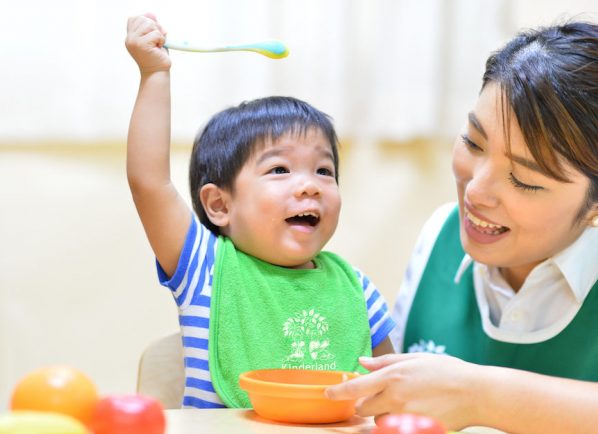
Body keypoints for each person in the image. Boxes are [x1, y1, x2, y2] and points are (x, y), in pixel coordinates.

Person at [326, 21, 598, 433]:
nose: (477, 190)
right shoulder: (442, 234)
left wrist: (478, 394)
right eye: (473, 142)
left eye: (525, 180)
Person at [124, 14, 395, 410]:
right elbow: (149, 182)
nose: (310, 184)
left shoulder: (357, 290)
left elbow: (391, 393)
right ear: (219, 204)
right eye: (279, 170)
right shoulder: (205, 267)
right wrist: (154, 73)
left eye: (324, 170)